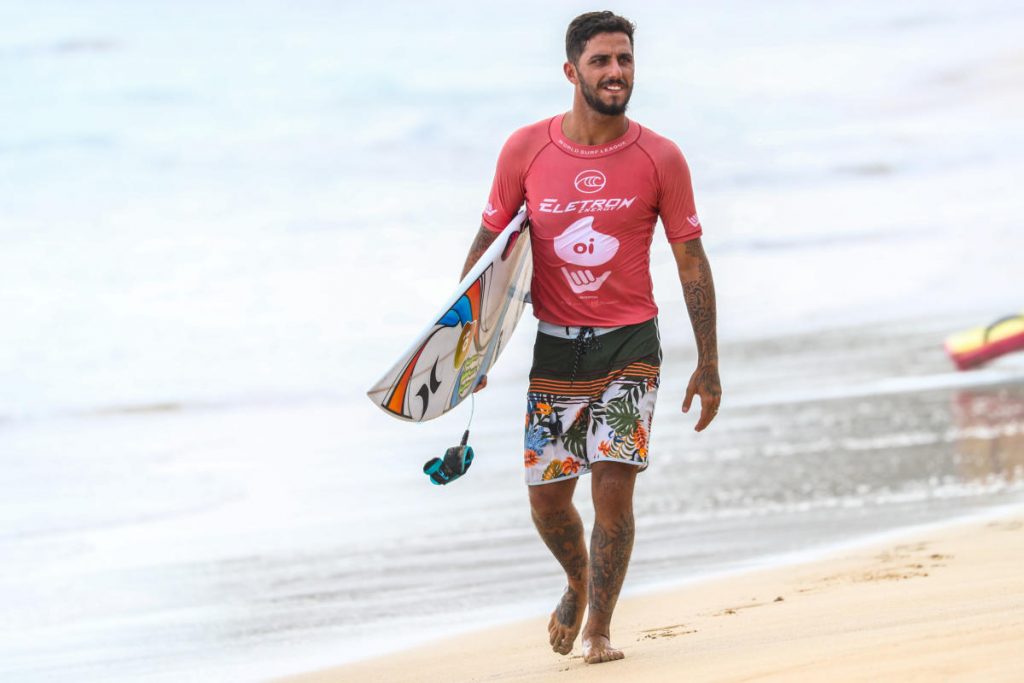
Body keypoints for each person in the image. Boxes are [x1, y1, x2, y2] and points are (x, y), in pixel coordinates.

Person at [459, 11, 721, 665]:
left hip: (630, 344)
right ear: (571, 71)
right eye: (601, 60)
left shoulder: (660, 157)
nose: (615, 72)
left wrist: (708, 362)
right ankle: (578, 580)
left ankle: (599, 627)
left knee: (612, 487)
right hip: (557, 346)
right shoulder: (526, 149)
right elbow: (489, 247)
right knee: (547, 500)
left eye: (624, 59)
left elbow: (691, 260)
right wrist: (466, 348)